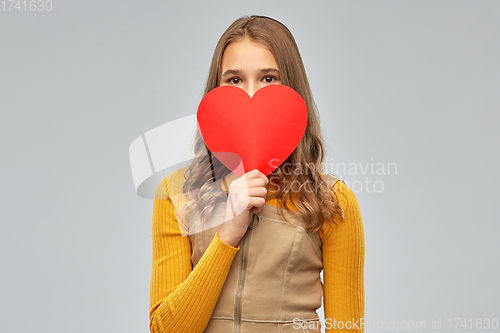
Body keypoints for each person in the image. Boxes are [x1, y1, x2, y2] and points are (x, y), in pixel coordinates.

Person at [149, 15, 365, 333]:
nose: (251, 94)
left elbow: (346, 327)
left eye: (268, 78)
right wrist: (227, 235)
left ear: (292, 87)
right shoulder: (175, 192)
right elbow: (166, 330)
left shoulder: (333, 200)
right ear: (216, 91)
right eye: (234, 79)